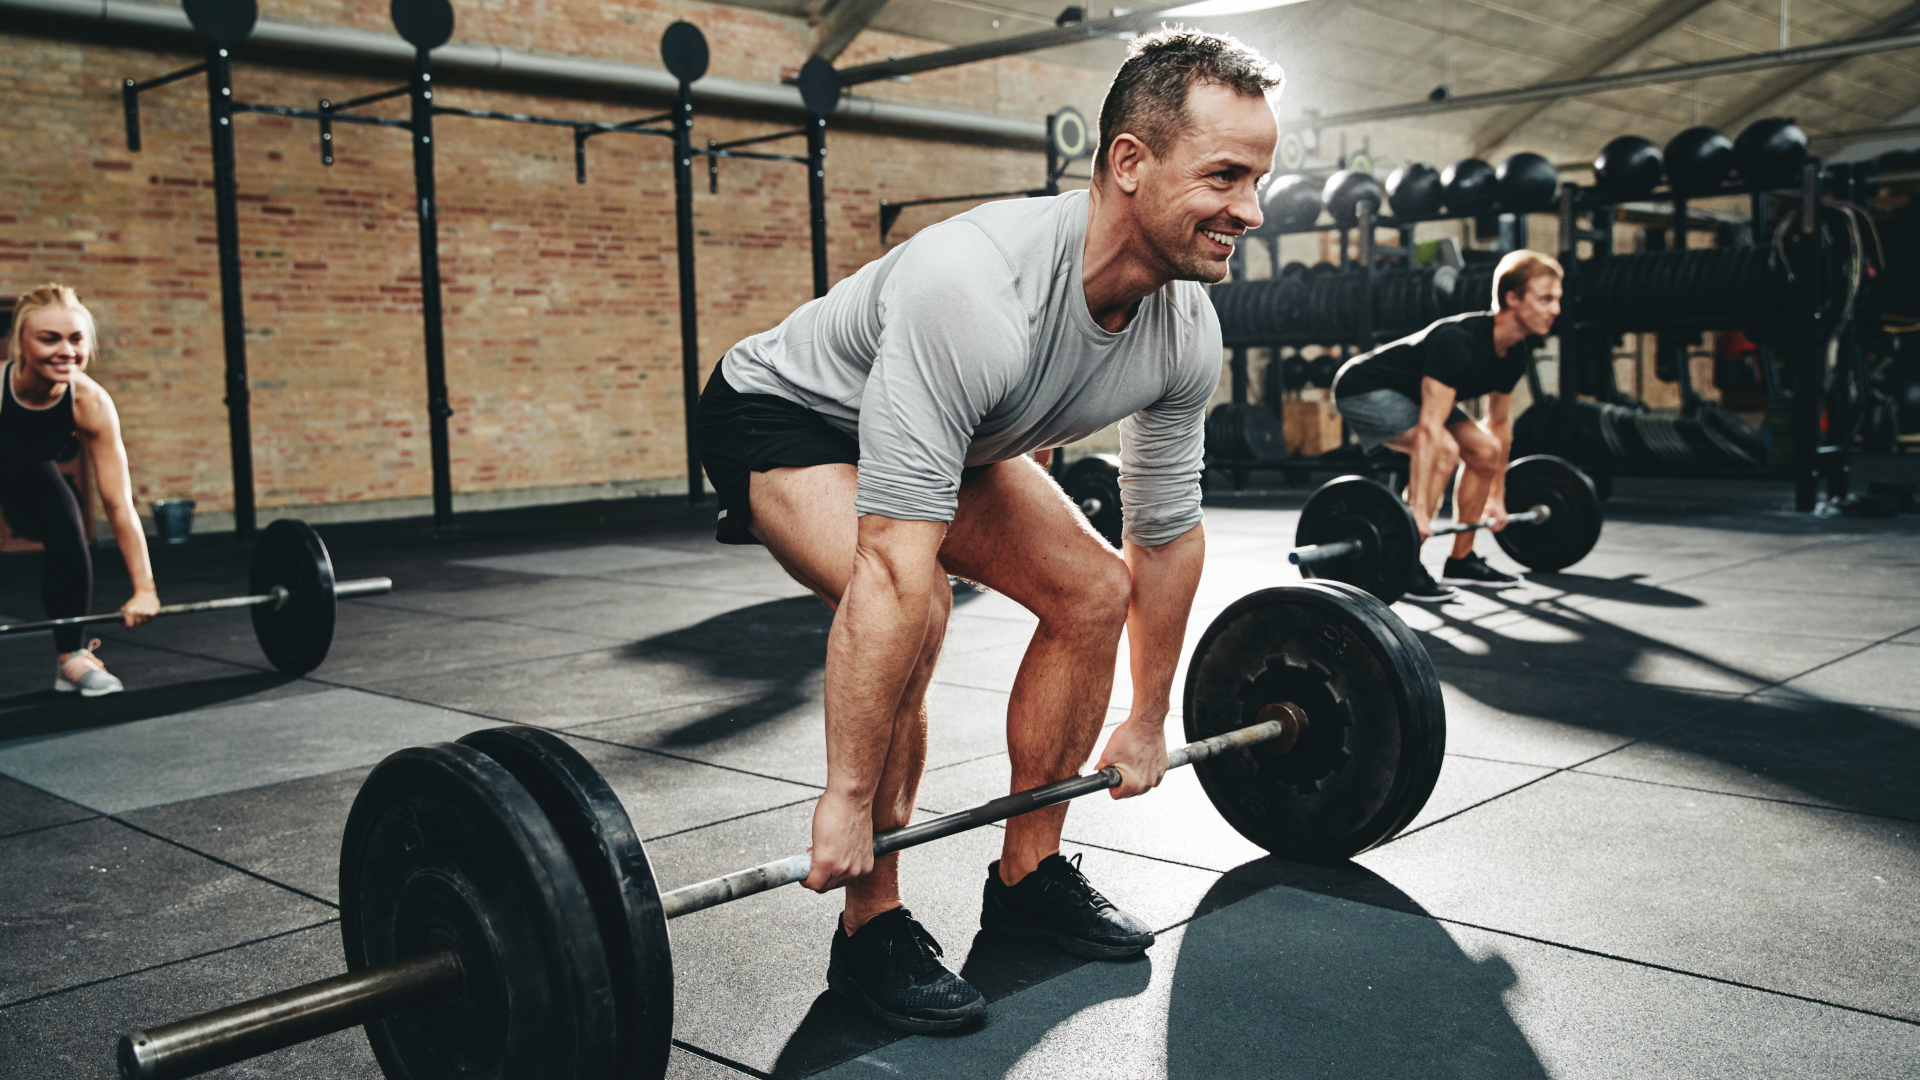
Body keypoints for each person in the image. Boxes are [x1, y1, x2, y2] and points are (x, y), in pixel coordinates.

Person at [693, 29, 1279, 1032]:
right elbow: (887, 570)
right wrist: (843, 796)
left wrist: (1146, 716)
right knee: (913, 610)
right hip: (786, 417)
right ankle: (870, 926)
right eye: (1225, 175)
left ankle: (1028, 874)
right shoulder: (977, 288)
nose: (1251, 211)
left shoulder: (1186, 328)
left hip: (954, 434)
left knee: (1094, 594)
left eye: (1261, 179)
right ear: (1128, 163)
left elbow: (1167, 539)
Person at [1330, 251, 1563, 602]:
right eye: (1546, 299)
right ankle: (1406, 563)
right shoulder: (1457, 340)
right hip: (1364, 387)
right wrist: (1420, 513)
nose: (1555, 310)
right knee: (1443, 450)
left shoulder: (1513, 355)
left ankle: (1462, 559)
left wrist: (1497, 499)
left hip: (1413, 395)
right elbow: (1429, 431)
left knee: (1485, 450)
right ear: (1512, 299)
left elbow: (1498, 426)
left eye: (1557, 299)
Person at [1, 284, 159, 695]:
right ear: (19, 342)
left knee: (69, 532)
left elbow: (118, 502)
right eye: (49, 338)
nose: (65, 351)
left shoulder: (90, 402)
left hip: (30, 471)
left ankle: (71, 659)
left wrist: (145, 589)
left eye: (76, 338)